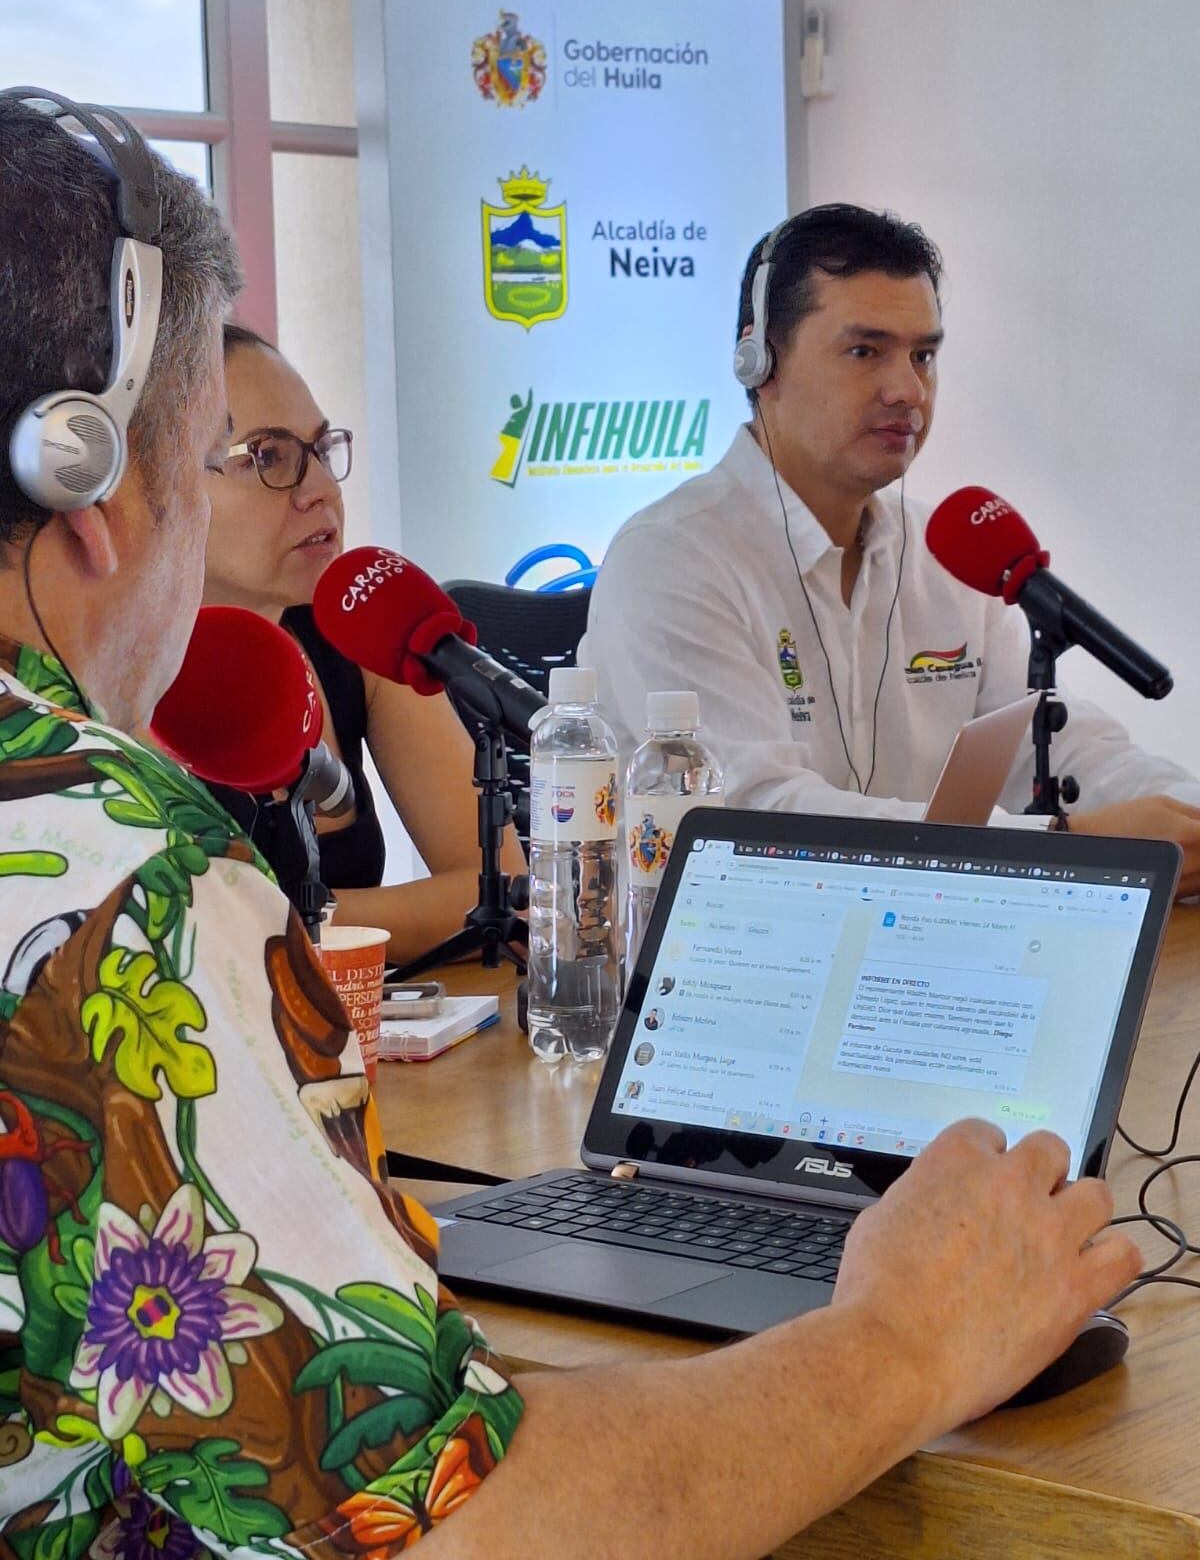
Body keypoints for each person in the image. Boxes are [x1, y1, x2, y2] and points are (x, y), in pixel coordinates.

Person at [0, 92, 1141, 1560]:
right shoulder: (120, 883)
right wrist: (909, 1339)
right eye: (218, 448)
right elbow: (454, 1530)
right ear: (87, 477)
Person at [580, 204, 1200, 894]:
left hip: (921, 937)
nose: (908, 391)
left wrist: (1184, 815)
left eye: (923, 355)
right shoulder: (671, 560)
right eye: (865, 352)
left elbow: (1061, 744)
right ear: (760, 362)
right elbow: (752, 818)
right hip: (728, 948)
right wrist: (1066, 847)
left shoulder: (947, 556)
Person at [201, 325, 525, 965]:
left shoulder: (354, 626)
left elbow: (502, 894)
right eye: (268, 456)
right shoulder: (111, 681)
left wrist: (277, 918)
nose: (321, 488)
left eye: (321, 449)